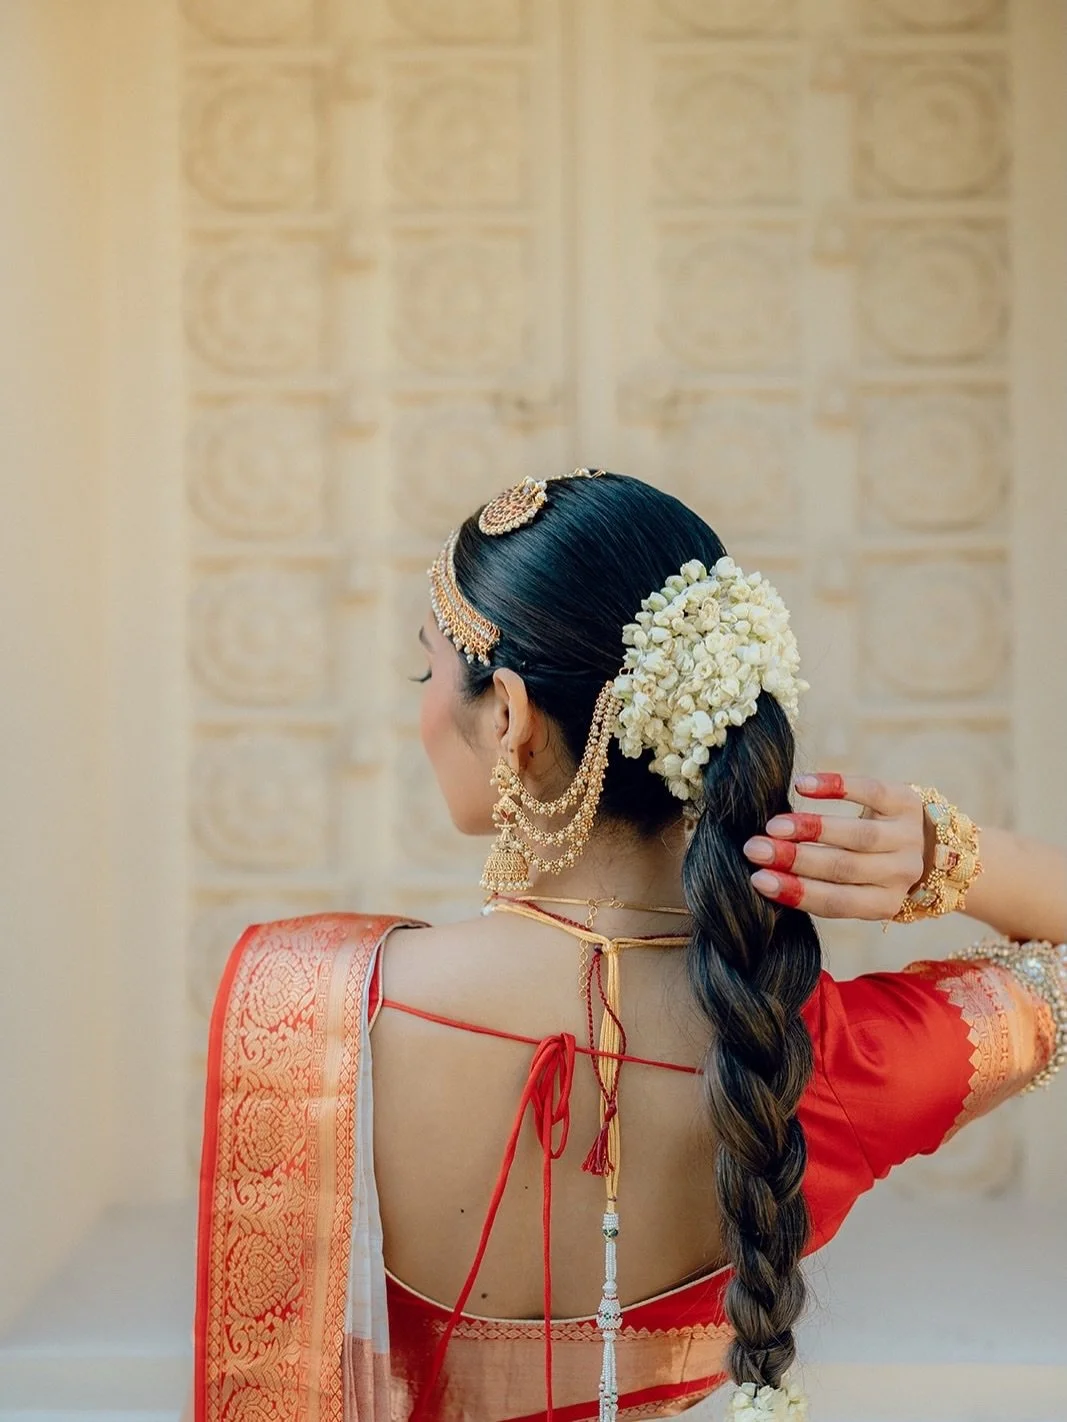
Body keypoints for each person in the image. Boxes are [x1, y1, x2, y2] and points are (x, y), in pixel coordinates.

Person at [191, 471, 1066, 1422]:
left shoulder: (308, 1008)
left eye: (427, 671)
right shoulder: (809, 1054)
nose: (422, 711)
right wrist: (946, 857)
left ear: (510, 716)